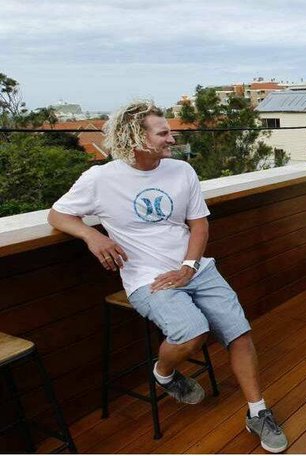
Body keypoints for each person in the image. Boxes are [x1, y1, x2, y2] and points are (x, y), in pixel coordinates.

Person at [47, 101, 287, 453]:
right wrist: (92, 235)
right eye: (163, 133)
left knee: (240, 333)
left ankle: (257, 412)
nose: (172, 139)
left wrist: (188, 267)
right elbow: (58, 215)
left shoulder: (181, 172)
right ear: (135, 138)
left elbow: (199, 223)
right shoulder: (100, 179)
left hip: (195, 268)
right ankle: (164, 374)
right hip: (147, 278)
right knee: (192, 332)